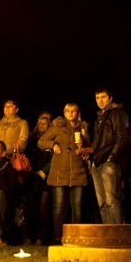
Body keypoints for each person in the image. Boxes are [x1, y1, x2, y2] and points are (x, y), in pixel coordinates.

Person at [38, 103, 90, 245]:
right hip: (59, 172)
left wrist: (84, 148)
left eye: (73, 111)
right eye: (67, 111)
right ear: (64, 113)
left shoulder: (83, 128)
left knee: (77, 205)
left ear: (77, 112)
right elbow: (41, 142)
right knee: (59, 205)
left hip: (77, 171)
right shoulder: (57, 127)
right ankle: (58, 237)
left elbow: (90, 147)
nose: (70, 113)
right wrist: (53, 145)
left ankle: (76, 237)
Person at [90, 87, 129, 225]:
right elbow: (99, 144)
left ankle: (118, 234)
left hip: (108, 162)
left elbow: (122, 138)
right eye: (97, 98)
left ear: (110, 98)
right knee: (102, 203)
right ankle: (108, 234)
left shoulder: (116, 114)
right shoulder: (100, 118)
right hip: (97, 163)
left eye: (103, 97)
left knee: (112, 200)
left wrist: (111, 157)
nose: (100, 100)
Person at [21, 112, 53, 245]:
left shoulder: (52, 140)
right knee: (30, 209)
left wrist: (43, 172)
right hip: (31, 178)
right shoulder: (31, 140)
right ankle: (29, 237)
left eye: (45, 123)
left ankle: (41, 238)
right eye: (40, 123)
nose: (42, 125)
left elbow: (53, 159)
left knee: (43, 209)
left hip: (44, 179)